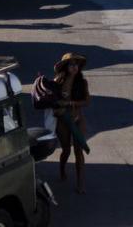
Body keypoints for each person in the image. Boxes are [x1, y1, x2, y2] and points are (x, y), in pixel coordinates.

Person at [53, 52, 90, 194]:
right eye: (71, 64)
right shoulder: (58, 81)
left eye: (77, 65)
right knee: (66, 150)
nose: (75, 67)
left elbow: (87, 101)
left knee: (78, 151)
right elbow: (54, 99)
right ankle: (62, 170)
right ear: (65, 67)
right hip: (63, 121)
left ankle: (80, 184)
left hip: (77, 119)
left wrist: (71, 103)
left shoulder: (82, 82)